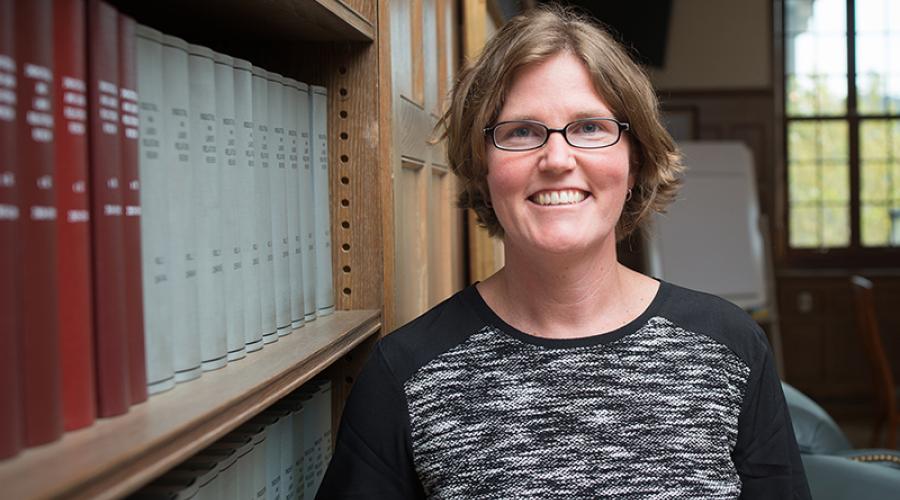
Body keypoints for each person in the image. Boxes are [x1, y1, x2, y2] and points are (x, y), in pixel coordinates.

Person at [318, 5, 810, 499]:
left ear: (634, 159)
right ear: (482, 167)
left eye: (591, 127)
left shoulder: (730, 347)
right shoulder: (403, 373)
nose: (557, 159)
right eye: (522, 131)